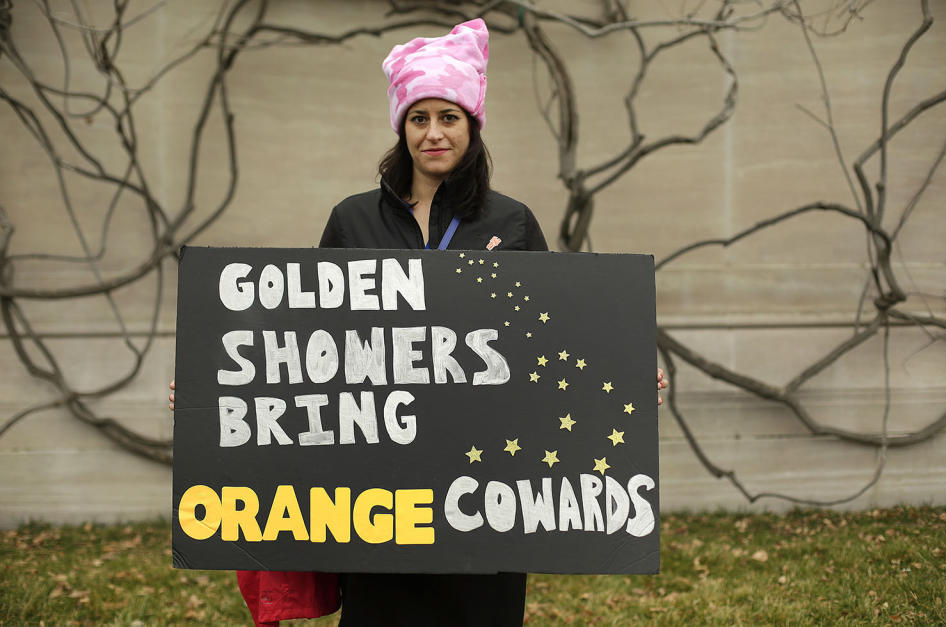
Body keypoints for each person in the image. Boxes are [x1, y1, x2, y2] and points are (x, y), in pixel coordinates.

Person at [168, 18, 668, 626]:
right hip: (383, 492)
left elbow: (551, 338)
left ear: (473, 125)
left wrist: (626, 382)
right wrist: (216, 389)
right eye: (419, 118)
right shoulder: (352, 221)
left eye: (449, 117)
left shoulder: (512, 223)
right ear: (401, 126)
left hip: (487, 489)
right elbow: (304, 342)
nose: (434, 133)